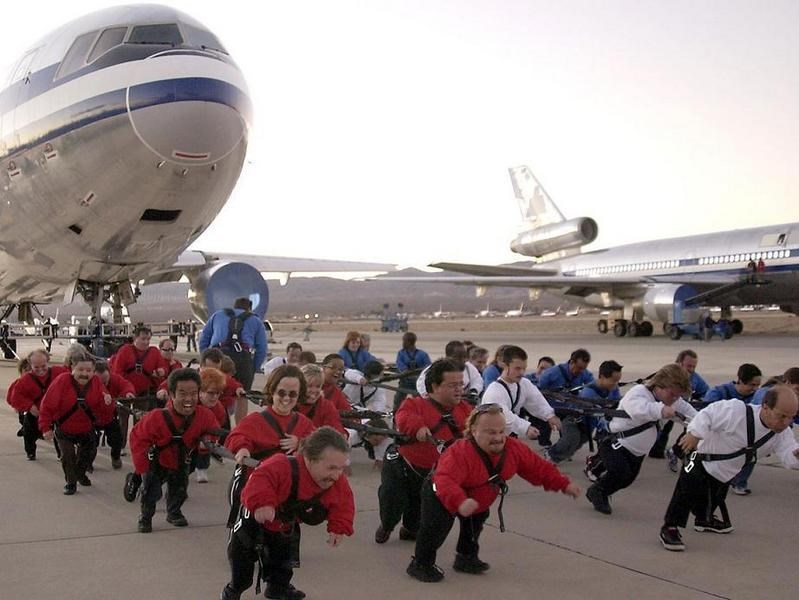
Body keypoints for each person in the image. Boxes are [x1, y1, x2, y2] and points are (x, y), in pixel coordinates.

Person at [406, 404, 580, 582]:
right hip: (441, 494)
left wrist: (564, 484)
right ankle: (421, 564)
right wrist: (460, 501)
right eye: (490, 432)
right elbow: (445, 480)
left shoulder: (514, 449)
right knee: (435, 528)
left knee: (475, 523)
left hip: (476, 499)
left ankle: (466, 558)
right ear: (474, 431)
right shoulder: (460, 452)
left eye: (501, 431)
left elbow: (538, 468)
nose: (498, 438)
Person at [220, 427, 355, 600]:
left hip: (284, 526)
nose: (336, 475)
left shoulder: (336, 481)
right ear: (309, 458)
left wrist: (338, 527)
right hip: (253, 522)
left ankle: (277, 589)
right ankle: (233, 590)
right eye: (331, 468)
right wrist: (262, 503)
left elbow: (343, 503)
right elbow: (259, 480)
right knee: (242, 566)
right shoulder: (281, 465)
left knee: (283, 564)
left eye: (341, 468)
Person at [659, 385, 799, 551]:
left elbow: (788, 457)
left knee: (713, 499)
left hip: (726, 472)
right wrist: (695, 434)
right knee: (685, 493)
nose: (786, 422)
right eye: (781, 416)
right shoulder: (736, 411)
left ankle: (704, 520)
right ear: (766, 407)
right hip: (700, 457)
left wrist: (796, 456)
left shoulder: (782, 434)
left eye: (791, 417)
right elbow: (707, 414)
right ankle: (670, 527)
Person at [375, 359, 473, 544]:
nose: (459, 389)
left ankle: (409, 530)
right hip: (403, 466)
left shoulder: (466, 410)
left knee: (418, 514)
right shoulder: (415, 404)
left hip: (432, 475)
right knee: (391, 500)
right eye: (452, 385)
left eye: (461, 384)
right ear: (435, 386)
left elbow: (478, 430)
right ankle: (387, 525)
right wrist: (418, 428)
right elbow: (403, 416)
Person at [584, 364, 694, 515]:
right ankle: (597, 491)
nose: (674, 398)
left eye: (678, 396)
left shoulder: (673, 401)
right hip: (615, 442)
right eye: (672, 394)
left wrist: (702, 425)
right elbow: (638, 410)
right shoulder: (638, 392)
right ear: (660, 385)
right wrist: (661, 410)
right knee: (620, 472)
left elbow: (691, 415)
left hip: (637, 451)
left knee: (628, 479)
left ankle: (601, 488)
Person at [128, 368, 221, 532]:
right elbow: (137, 440)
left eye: (193, 393)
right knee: (151, 492)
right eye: (182, 393)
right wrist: (143, 468)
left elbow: (214, 431)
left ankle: (173, 512)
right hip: (156, 461)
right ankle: (145, 517)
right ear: (172, 394)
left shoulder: (205, 416)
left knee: (180, 490)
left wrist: (208, 442)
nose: (188, 399)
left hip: (181, 461)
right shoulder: (156, 417)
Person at [224, 365, 316, 528]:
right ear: (272, 391)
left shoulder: (304, 424)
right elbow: (236, 436)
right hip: (258, 489)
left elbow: (318, 447)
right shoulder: (256, 420)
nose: (286, 398)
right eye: (281, 393)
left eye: (293, 394)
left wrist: (301, 443)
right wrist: (242, 448)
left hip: (287, 493)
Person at [39, 350, 114, 494]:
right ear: (72, 368)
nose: (84, 374)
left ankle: (80, 473)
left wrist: (107, 402)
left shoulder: (96, 383)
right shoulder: (62, 381)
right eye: (80, 369)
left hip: (86, 428)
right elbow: (47, 405)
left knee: (89, 452)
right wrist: (45, 427)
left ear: (94, 371)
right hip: (64, 429)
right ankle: (71, 482)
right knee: (68, 456)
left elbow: (105, 410)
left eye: (89, 370)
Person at [728, 367, 799, 495]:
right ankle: (738, 482)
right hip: (750, 434)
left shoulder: (791, 399)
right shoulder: (767, 393)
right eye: (798, 389)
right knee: (749, 453)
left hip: (773, 433)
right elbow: (757, 416)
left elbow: (788, 452)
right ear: (787, 383)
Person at [199, 297, 268, 421]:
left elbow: (204, 338)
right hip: (243, 357)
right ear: (249, 308)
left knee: (214, 390)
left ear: (234, 306)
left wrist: (205, 360)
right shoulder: (256, 320)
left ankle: (212, 422)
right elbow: (262, 348)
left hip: (218, 356)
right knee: (242, 395)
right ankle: (240, 428)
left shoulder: (218, 315)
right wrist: (253, 368)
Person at [480, 345, 561, 445]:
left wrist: (550, 416)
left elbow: (536, 400)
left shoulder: (524, 384)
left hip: (508, 437)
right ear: (505, 366)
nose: (522, 372)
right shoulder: (494, 391)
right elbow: (503, 415)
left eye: (524, 368)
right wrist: (525, 428)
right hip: (489, 439)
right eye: (517, 368)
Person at [548, 359, 622, 464]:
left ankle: (558, 456)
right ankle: (551, 455)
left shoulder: (613, 388)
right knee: (571, 440)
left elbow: (616, 404)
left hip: (590, 424)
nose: (615, 384)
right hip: (573, 420)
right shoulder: (588, 392)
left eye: (617, 381)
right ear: (602, 376)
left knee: (576, 445)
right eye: (613, 381)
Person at [649, 350, 710, 464]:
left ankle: (676, 452)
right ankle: (655, 450)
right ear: (679, 363)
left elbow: (707, 392)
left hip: (681, 408)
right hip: (661, 408)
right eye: (689, 366)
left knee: (691, 428)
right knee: (660, 429)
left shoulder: (695, 378)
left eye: (694, 366)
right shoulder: (667, 375)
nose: (691, 369)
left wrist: (700, 401)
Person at [8, 349, 70, 460]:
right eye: (36, 367)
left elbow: (72, 382)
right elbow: (15, 398)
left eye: (43, 366)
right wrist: (30, 406)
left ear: (48, 361)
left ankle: (61, 453)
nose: (40, 370)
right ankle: (30, 452)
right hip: (36, 412)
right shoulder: (25, 380)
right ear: (30, 365)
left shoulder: (59, 372)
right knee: (28, 431)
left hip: (55, 411)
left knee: (60, 432)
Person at [536, 349, 594, 447]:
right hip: (550, 407)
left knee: (569, 431)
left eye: (584, 368)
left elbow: (593, 387)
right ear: (571, 362)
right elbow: (539, 391)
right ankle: (545, 445)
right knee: (544, 427)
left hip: (569, 408)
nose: (581, 371)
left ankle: (563, 446)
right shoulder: (551, 373)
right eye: (579, 368)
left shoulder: (585, 373)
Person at [93, 360, 135, 470]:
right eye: (100, 381)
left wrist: (128, 393)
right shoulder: (88, 382)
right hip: (92, 418)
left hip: (109, 416)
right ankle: (87, 462)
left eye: (105, 380)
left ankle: (115, 457)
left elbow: (126, 385)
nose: (104, 384)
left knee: (117, 439)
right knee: (89, 442)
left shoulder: (115, 379)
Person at [192, 367, 230, 483]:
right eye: (211, 393)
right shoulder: (189, 402)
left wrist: (210, 441)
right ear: (200, 391)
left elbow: (216, 428)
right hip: (185, 432)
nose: (214, 397)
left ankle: (202, 468)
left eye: (218, 393)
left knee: (205, 447)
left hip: (205, 433)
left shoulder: (219, 410)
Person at [415, 341, 483, 403]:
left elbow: (477, 380)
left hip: (465, 402)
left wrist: (474, 390)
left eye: (464, 357)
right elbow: (421, 385)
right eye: (458, 357)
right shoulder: (436, 368)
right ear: (448, 356)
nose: (463, 360)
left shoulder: (469, 368)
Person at [296, 364, 347, 436]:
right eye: (309, 386)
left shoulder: (326, 406)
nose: (314, 390)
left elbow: (337, 432)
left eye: (318, 386)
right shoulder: (289, 405)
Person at [394, 332, 432, 410]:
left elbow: (428, 368)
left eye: (404, 341)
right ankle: (395, 413)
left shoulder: (422, 354)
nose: (403, 343)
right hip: (405, 382)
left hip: (418, 383)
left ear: (409, 342)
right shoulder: (401, 353)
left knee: (421, 401)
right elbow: (400, 366)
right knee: (398, 400)